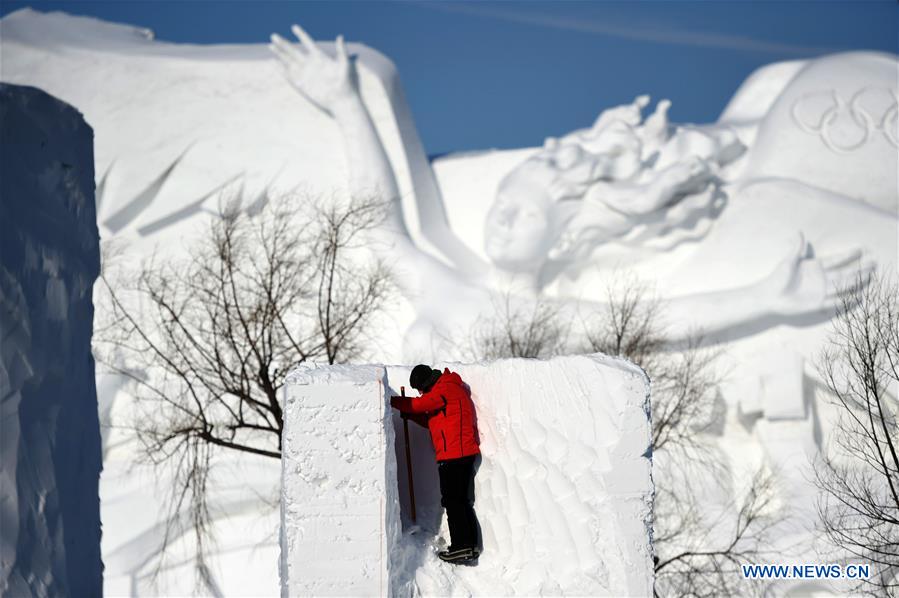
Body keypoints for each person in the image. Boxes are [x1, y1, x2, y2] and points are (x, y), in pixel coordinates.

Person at [390, 364, 482, 564]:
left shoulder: (445, 388)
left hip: (456, 454)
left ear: (425, 381)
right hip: (457, 453)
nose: (421, 393)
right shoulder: (445, 392)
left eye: (420, 389)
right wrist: (411, 414)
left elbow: (419, 405)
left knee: (454, 501)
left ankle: (462, 546)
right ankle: (469, 546)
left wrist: (393, 401)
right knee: (460, 501)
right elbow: (430, 419)